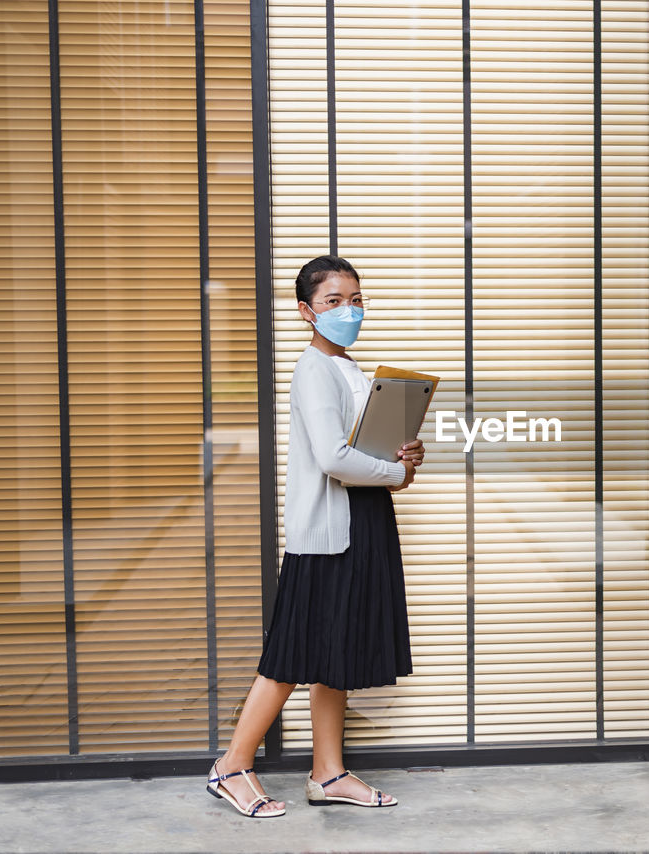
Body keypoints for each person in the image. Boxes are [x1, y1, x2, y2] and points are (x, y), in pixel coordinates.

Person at [206, 255, 424, 817]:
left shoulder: (351, 370)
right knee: (289, 657)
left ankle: (328, 774)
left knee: (336, 655)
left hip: (364, 521)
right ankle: (231, 767)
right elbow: (332, 457)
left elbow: (363, 456)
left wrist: (404, 457)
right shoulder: (313, 369)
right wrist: (393, 472)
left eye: (356, 299)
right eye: (334, 301)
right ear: (306, 311)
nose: (348, 310)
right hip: (327, 534)